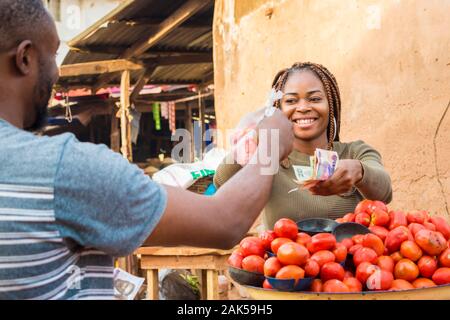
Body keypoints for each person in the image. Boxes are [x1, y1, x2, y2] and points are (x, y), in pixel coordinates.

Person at [0, 0, 293, 299]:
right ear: (25, 58)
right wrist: (272, 144)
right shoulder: (66, 169)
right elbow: (226, 221)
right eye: (52, 55)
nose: (58, 72)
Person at [214, 62, 393, 229]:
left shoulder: (355, 152)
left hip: (352, 260)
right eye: (291, 101)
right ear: (278, 109)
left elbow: (384, 193)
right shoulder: (269, 158)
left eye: (315, 99)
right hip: (283, 261)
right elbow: (221, 181)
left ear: (330, 105)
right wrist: (255, 138)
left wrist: (359, 171)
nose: (303, 107)